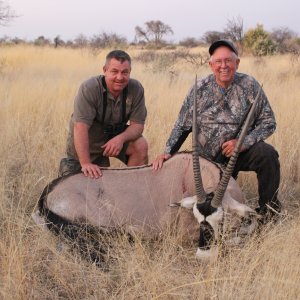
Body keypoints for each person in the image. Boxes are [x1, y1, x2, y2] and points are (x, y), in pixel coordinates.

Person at [153, 40, 281, 222]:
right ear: (211, 65)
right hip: (206, 162)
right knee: (203, 204)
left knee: (267, 154)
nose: (224, 66)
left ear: (237, 63)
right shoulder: (199, 89)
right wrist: (167, 152)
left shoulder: (250, 85)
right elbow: (182, 126)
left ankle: (269, 212)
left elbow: (268, 122)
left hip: (238, 155)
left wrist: (243, 143)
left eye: (228, 61)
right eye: (218, 61)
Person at [59, 50, 148, 178]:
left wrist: (120, 139)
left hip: (114, 137)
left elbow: (138, 126)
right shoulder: (89, 88)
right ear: (105, 70)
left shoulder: (136, 88)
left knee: (140, 145)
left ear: (130, 72)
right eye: (114, 71)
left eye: (124, 72)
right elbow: (80, 127)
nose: (119, 77)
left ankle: (131, 188)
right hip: (89, 141)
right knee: (77, 184)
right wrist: (85, 163)